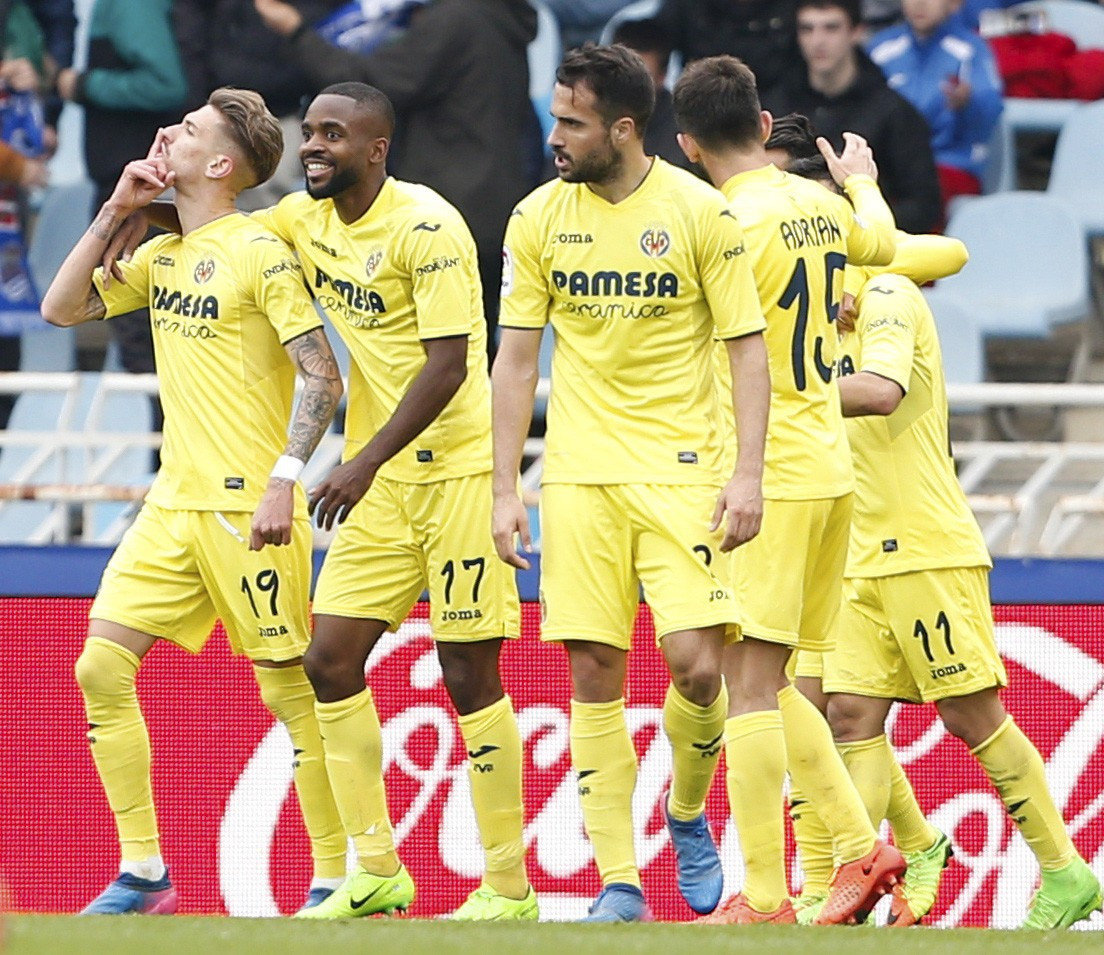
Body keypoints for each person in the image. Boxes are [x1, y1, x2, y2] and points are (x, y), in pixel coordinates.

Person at [113, 80, 535, 921]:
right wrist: (148, 200)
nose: (314, 147)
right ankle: (376, 868)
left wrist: (361, 459)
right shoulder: (300, 223)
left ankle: (508, 887)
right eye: (310, 132)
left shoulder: (429, 226)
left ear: (377, 149)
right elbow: (209, 234)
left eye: (333, 135)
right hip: (379, 486)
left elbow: (450, 365)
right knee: (328, 662)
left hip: (451, 474)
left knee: (468, 672)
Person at [40, 88, 346, 915]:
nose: (166, 133)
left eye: (190, 131)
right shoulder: (161, 256)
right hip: (172, 503)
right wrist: (114, 207)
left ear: (219, 164)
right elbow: (61, 308)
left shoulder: (259, 252)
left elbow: (323, 372)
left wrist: (286, 475)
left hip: (249, 508)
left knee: (289, 692)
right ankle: (144, 871)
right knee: (98, 664)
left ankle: (333, 876)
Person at [493, 43, 770, 923]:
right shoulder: (536, 216)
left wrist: (749, 471)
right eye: (554, 117)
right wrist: (508, 486)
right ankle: (620, 881)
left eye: (571, 122)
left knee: (695, 669)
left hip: (683, 470)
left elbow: (747, 348)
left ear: (622, 127)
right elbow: (514, 360)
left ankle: (685, 806)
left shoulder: (698, 213)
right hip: (579, 478)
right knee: (594, 669)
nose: (555, 135)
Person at [673, 54, 906, 926]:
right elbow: (882, 245)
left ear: (688, 144)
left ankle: (777, 890)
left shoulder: (719, 221)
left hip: (763, 471)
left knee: (751, 686)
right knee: (772, 680)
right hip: (831, 470)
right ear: (766, 127)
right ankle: (837, 856)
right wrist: (865, 182)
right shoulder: (819, 203)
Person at [822, 234, 1104, 931]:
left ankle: (1065, 871)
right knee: (849, 715)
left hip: (923, 545)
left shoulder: (886, 292)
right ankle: (874, 873)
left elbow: (882, 390)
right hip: (857, 551)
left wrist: (781, 385)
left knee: (969, 715)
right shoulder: (810, 311)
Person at [252, 0, 542, 362]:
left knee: (435, 356)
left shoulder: (457, 18)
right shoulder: (494, 16)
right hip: (484, 208)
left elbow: (368, 91)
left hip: (445, 214)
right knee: (469, 349)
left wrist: (296, 32)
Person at [57, 0, 187, 454]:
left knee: (154, 350)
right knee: (148, 351)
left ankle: (166, 469)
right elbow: (59, 310)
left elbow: (166, 83)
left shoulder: (131, 5)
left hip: (142, 197)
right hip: (141, 202)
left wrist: (79, 84)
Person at [762, 0, 942, 234]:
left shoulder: (894, 111)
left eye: (831, 28)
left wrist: (854, 224)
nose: (818, 41)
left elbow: (924, 205)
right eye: (807, 29)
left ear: (857, 32)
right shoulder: (775, 106)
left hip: (869, 250)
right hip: (786, 240)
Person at [867, 0, 1003, 213]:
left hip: (949, 164)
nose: (920, 4)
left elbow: (991, 115)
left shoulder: (971, 50)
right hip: (887, 167)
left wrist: (968, 103)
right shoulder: (878, 48)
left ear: (955, 4)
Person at [654, 0, 800, 93]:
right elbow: (650, 42)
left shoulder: (792, 6)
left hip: (788, 101)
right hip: (703, 102)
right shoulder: (686, 6)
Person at [611, 18, 696, 172]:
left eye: (641, 79)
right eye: (619, 74)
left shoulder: (688, 128)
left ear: (662, 76)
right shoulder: (588, 117)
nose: (628, 87)